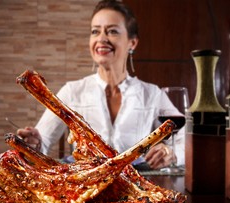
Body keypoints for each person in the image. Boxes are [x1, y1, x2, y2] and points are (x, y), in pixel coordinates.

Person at [17, 0, 185, 170]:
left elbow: (185, 138)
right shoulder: (72, 91)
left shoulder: (152, 94)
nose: (101, 38)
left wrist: (170, 151)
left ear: (132, 43)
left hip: (138, 188)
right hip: (83, 190)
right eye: (95, 31)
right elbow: (42, 141)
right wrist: (33, 144)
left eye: (112, 31)